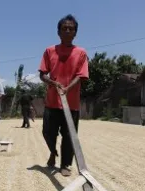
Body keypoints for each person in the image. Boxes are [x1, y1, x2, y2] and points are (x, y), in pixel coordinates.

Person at [38, 14, 89, 177]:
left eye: (71, 29)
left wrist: (67, 88)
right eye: (64, 28)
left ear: (75, 33)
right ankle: (53, 152)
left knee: (69, 136)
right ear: (58, 32)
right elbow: (43, 74)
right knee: (47, 132)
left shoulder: (81, 52)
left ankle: (65, 164)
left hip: (71, 103)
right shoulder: (49, 51)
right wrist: (54, 84)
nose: (67, 31)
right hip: (52, 102)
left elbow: (81, 75)